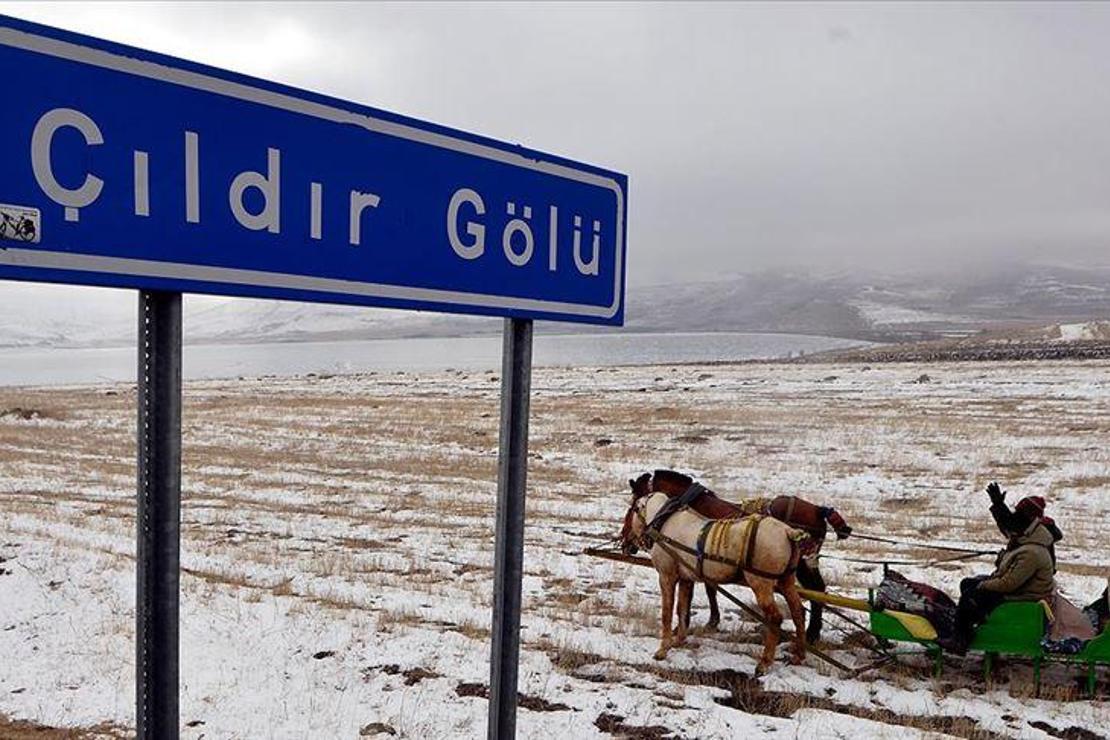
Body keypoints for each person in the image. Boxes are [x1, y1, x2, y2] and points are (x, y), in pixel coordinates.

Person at [939, 497, 1057, 655]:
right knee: (968, 583)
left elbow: (1009, 583)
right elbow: (1008, 526)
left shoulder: (1031, 552)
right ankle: (970, 625)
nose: (1014, 516)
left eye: (1018, 513)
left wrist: (984, 585)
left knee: (971, 596)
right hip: (1022, 591)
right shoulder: (1027, 541)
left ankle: (960, 641)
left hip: (1023, 596)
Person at [986, 482, 1063, 569]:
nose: (1016, 515)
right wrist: (999, 505)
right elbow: (1011, 524)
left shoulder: (1035, 538)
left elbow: (1013, 525)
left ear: (1029, 517)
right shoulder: (1032, 530)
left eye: (1019, 513)